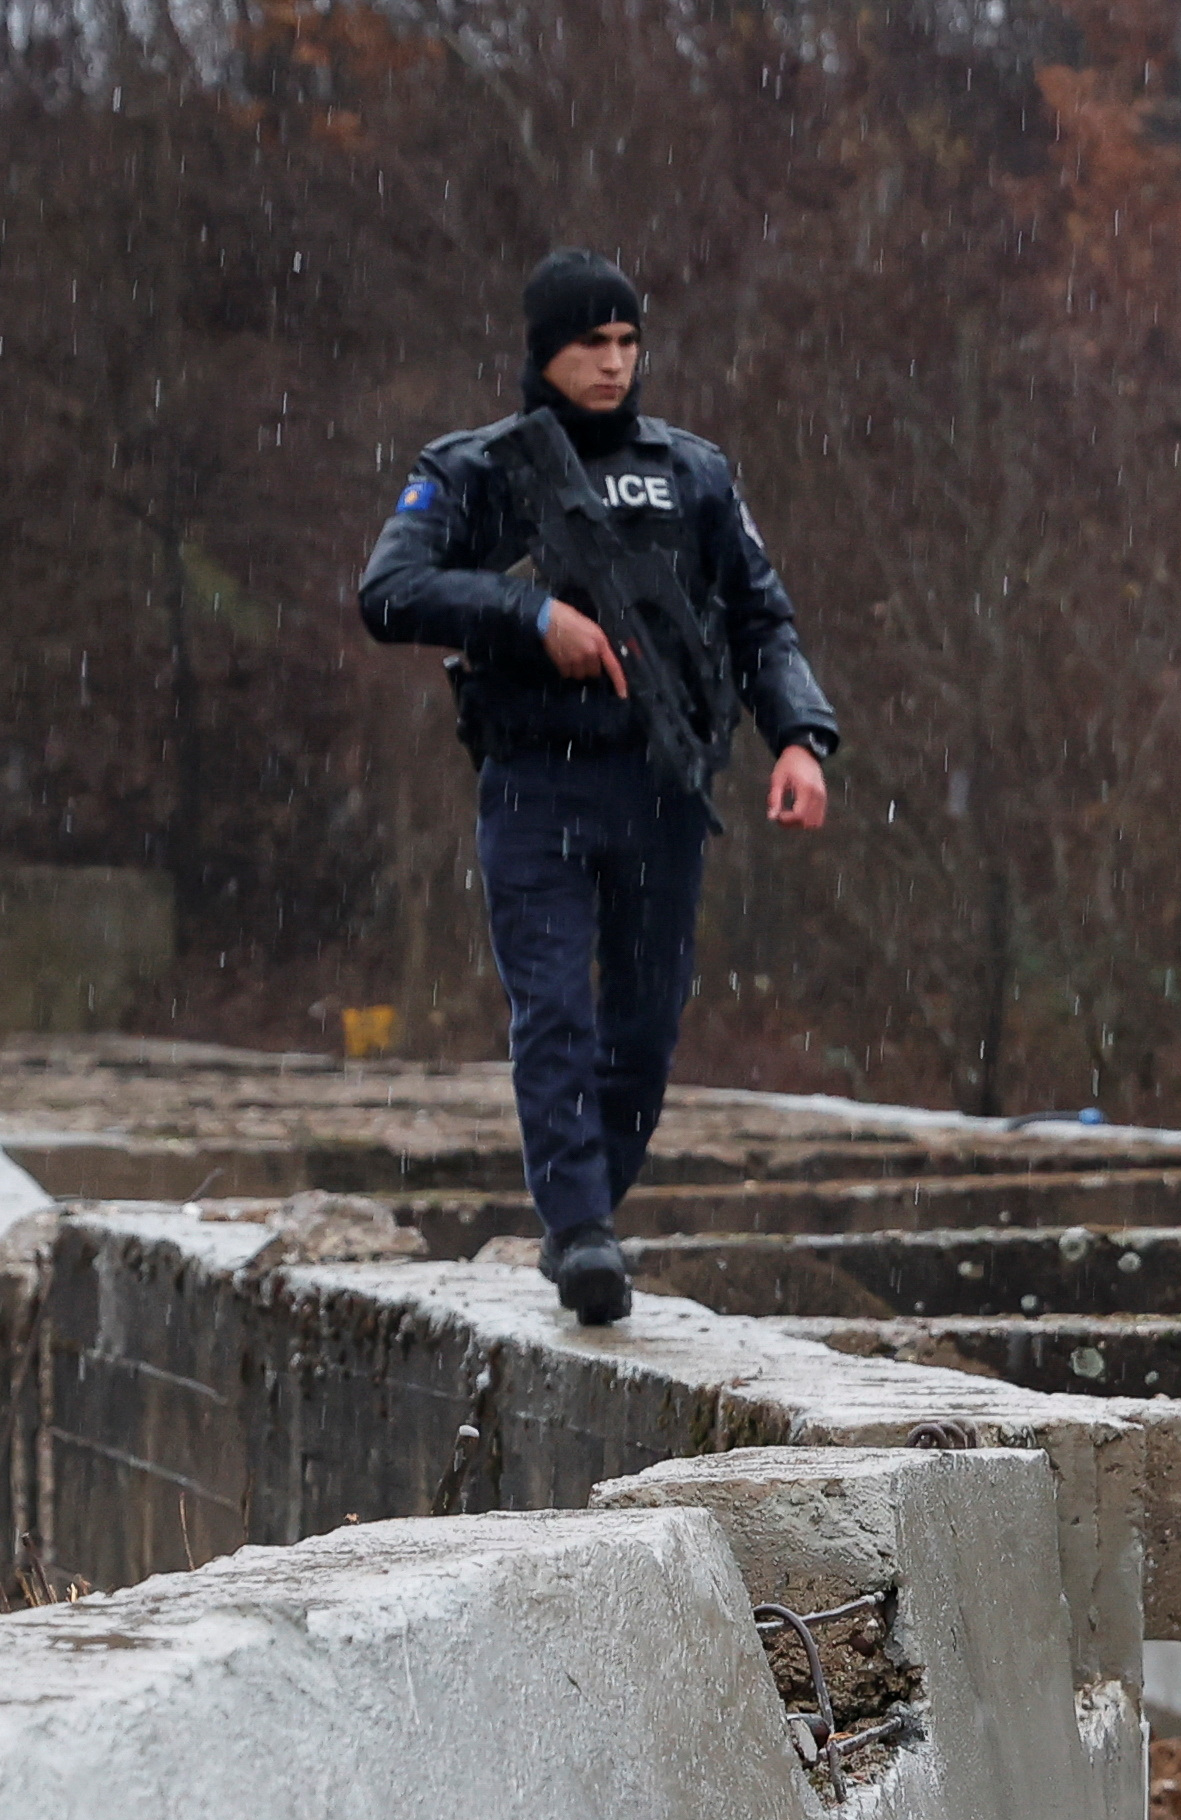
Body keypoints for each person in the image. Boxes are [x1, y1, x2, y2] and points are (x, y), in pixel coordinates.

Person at [356, 249, 837, 1325]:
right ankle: (578, 1232)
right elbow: (389, 590)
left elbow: (761, 617)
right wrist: (530, 616)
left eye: (628, 343)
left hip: (660, 781)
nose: (615, 365)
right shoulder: (478, 468)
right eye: (592, 346)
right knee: (555, 1012)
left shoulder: (694, 474)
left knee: (647, 1027)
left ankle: (589, 1216)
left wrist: (800, 738)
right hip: (536, 781)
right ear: (545, 353)